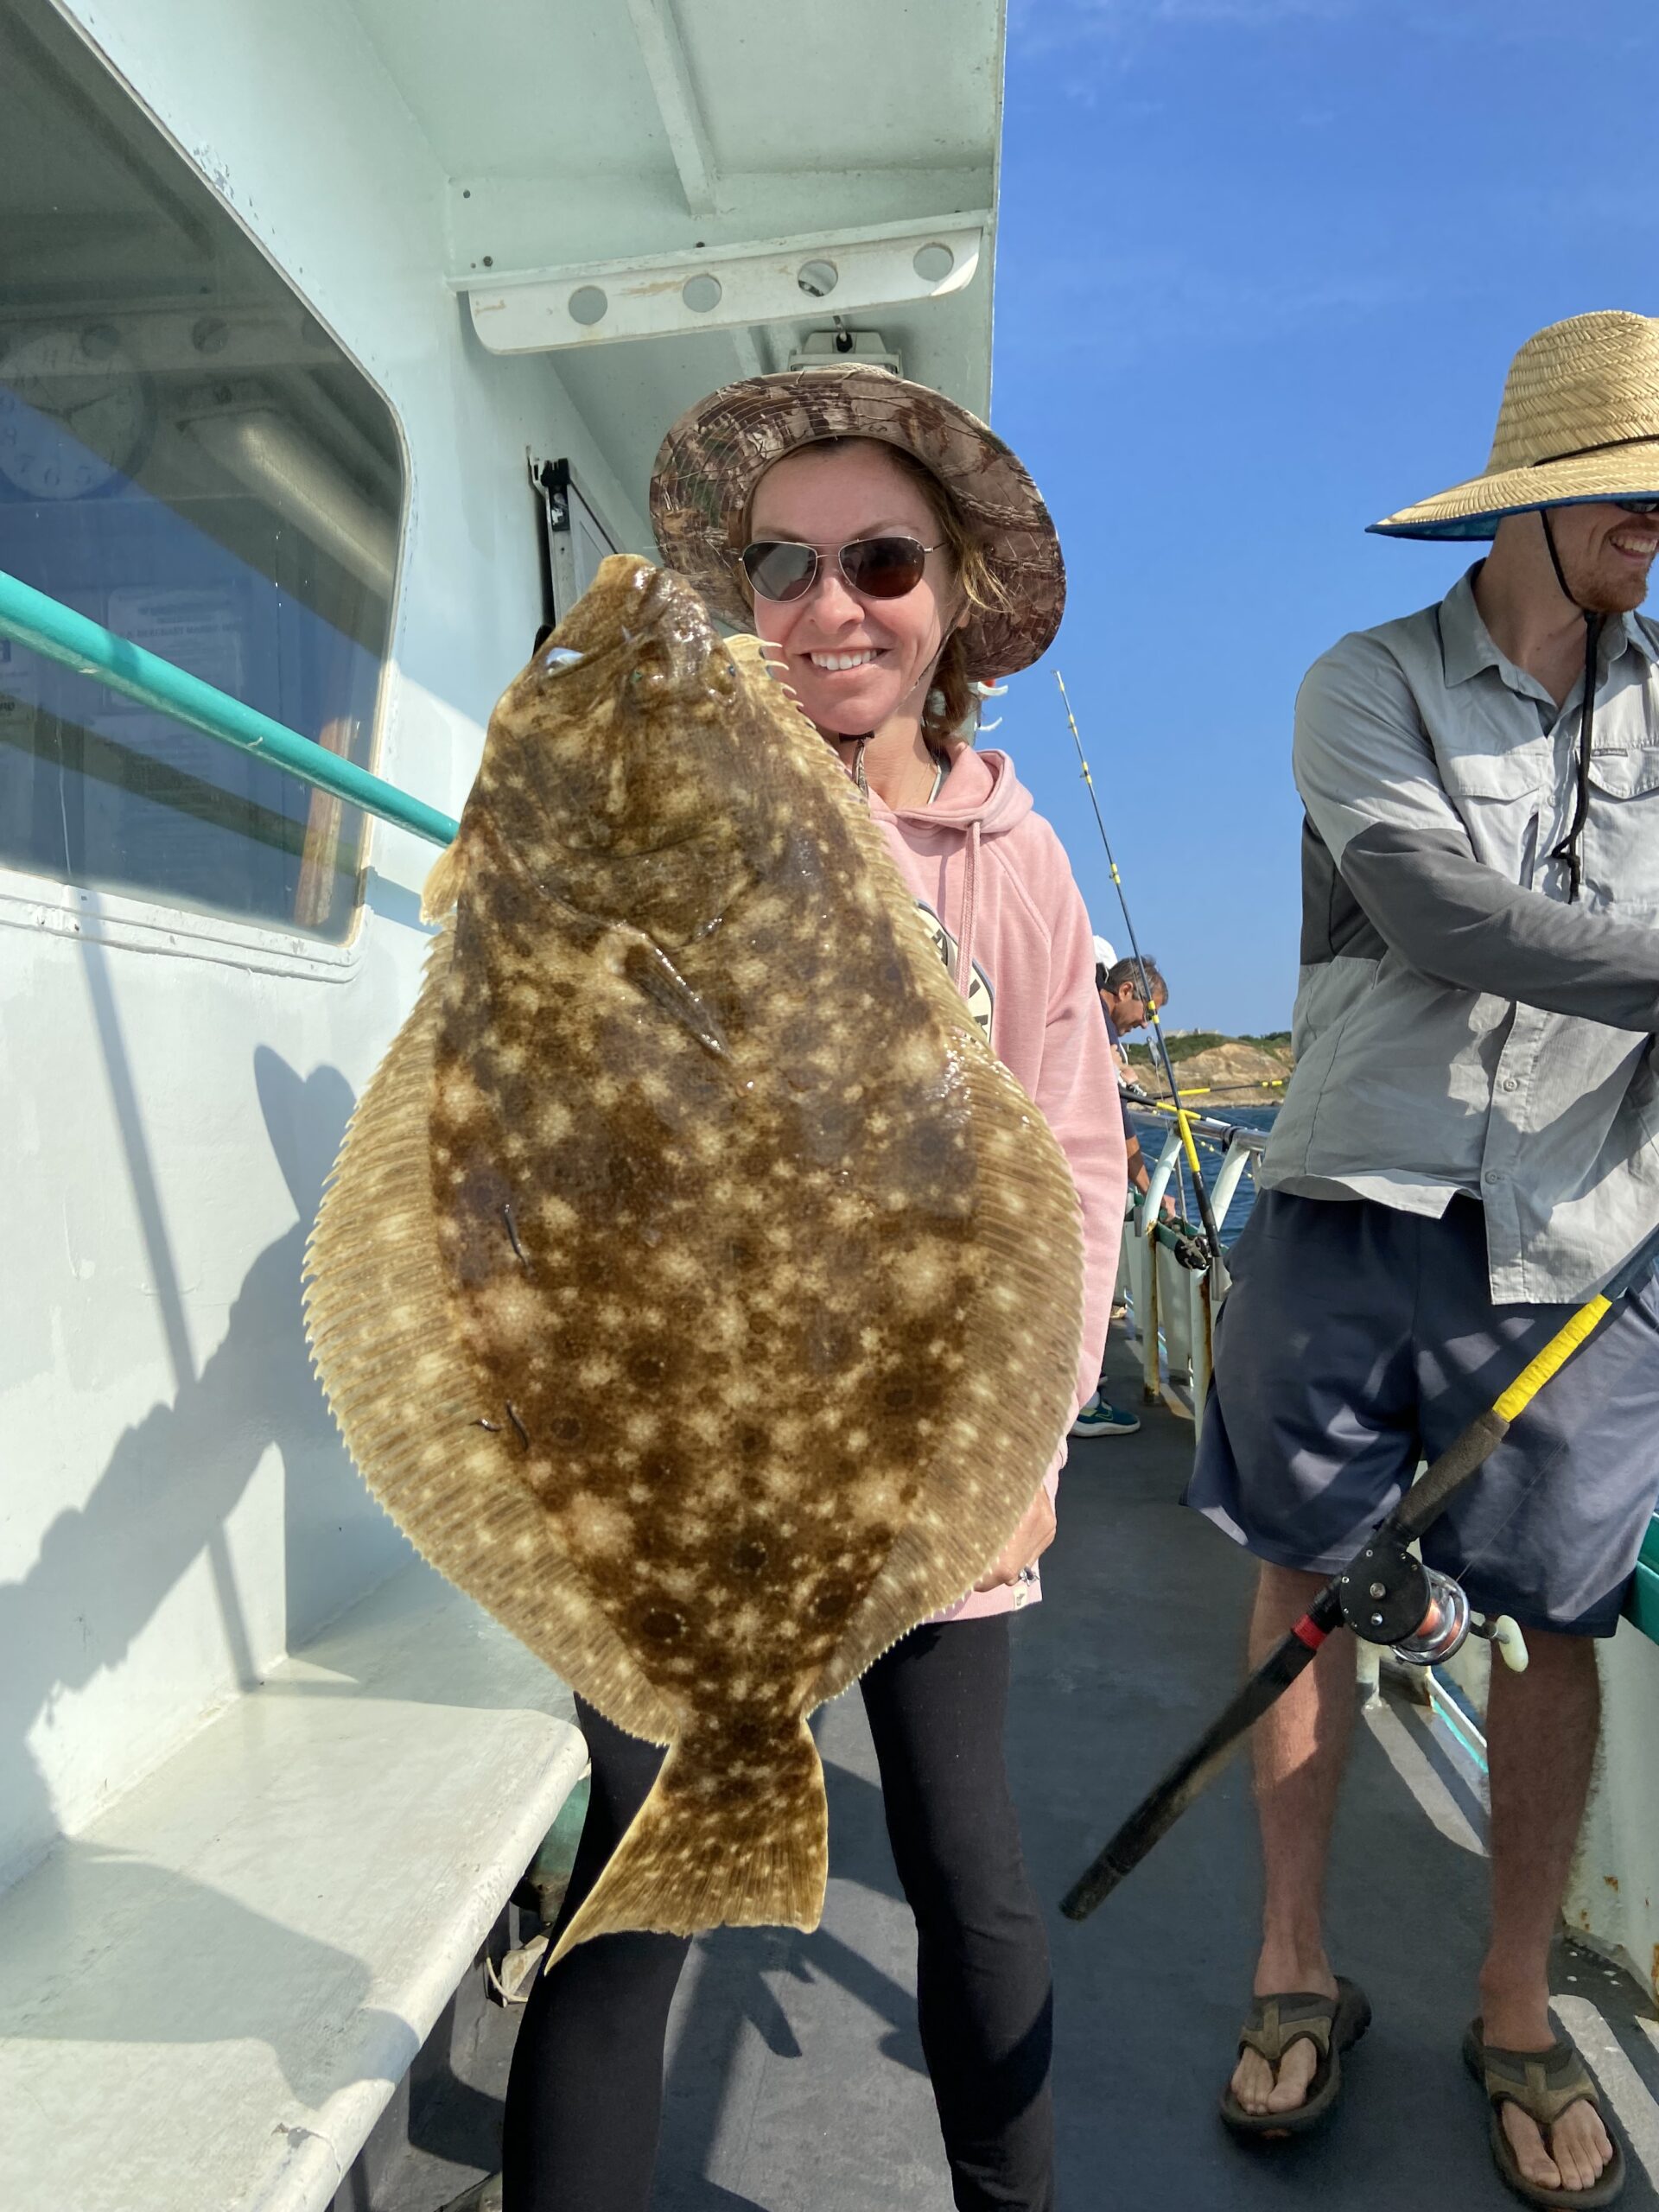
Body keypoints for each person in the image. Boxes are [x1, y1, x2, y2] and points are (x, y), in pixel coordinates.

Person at [500, 363, 1125, 2212]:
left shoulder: (1019, 867)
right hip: (685, 1455)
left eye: (881, 561)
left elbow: (1077, 1166)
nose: (829, 605)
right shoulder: (659, 807)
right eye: (782, 564)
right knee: (640, 1877)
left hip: (934, 1451)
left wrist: (1032, 1438)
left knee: (966, 1867)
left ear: (952, 599)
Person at [1186, 310, 1659, 2207]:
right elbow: (1434, 911)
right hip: (1351, 1203)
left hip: (1585, 1245)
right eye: (1630, 492)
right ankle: (1293, 1966)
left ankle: (1517, 1999)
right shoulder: (1362, 682)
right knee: (1301, 1571)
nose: (1656, 525)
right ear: (1532, 499)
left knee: (1561, 1618)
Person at [1072, 952, 1174, 1440]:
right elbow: (1118, 1117)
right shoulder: (1096, 1020)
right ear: (1127, 991)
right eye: (1148, 1012)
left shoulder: (1086, 1012)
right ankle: (1081, 1404)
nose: (1146, 1025)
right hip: (1076, 1182)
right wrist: (1149, 1187)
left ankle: (1079, 1383)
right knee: (1082, 1283)